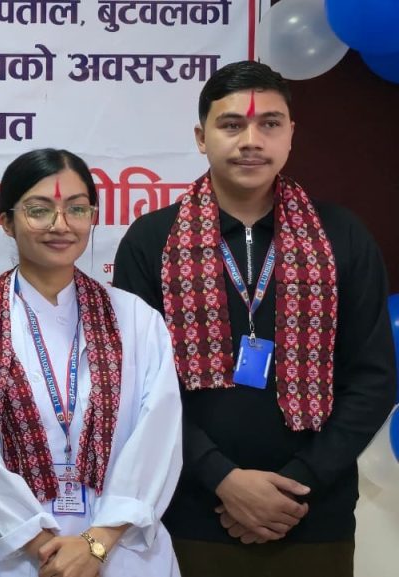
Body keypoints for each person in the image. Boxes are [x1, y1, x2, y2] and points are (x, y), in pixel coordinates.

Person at [113, 60, 396, 577]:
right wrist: (221, 477)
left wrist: (300, 483)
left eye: (269, 123)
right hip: (188, 514)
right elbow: (136, 384)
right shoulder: (152, 241)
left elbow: (372, 379)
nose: (251, 140)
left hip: (312, 515)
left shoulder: (342, 236)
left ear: (291, 135)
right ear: (201, 137)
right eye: (231, 124)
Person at [0, 149, 183, 577]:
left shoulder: (137, 319)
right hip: (14, 554)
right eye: (39, 210)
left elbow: (158, 436)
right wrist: (43, 548)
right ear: (6, 221)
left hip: (119, 549)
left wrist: (96, 543)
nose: (60, 224)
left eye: (77, 209)